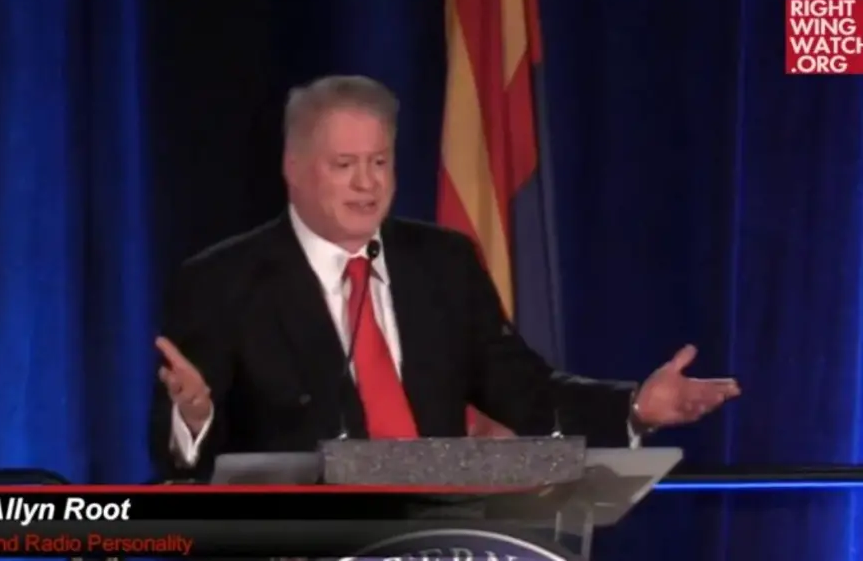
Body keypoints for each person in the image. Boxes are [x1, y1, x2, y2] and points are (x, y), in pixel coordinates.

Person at [148, 75, 741, 479]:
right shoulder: (225, 281)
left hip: (441, 538)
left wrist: (634, 407)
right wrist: (195, 419)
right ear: (294, 168)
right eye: (345, 165)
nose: (367, 184)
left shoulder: (442, 262)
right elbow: (182, 461)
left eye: (380, 162)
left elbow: (526, 392)